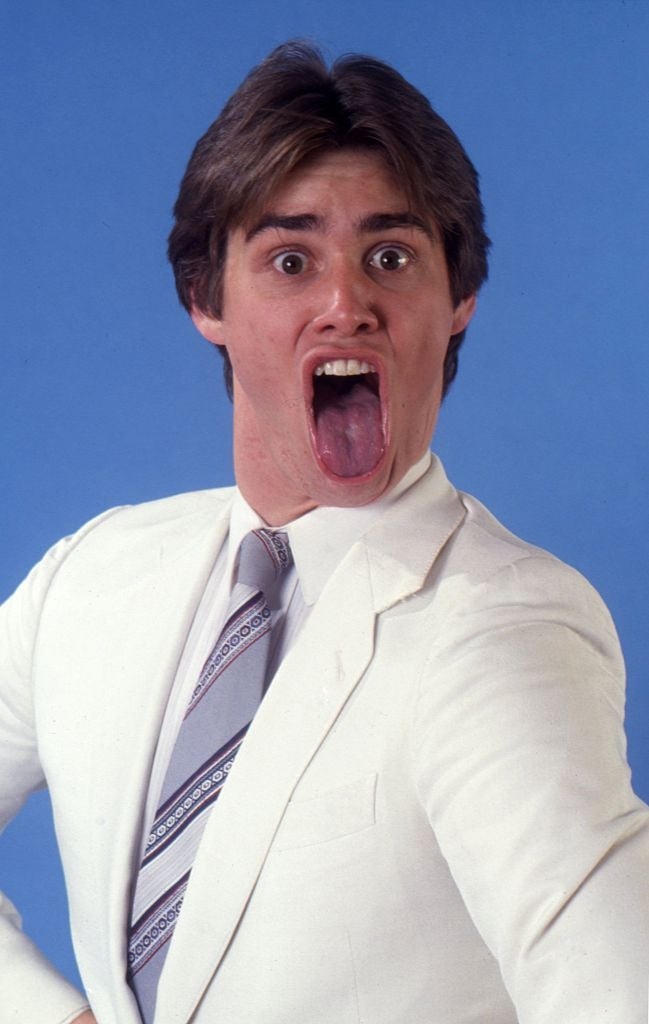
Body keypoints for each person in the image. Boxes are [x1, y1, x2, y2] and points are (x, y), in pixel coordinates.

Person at [1, 40, 648, 1024]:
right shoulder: (89, 579)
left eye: (390, 258)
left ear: (458, 301)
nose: (346, 305)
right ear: (205, 300)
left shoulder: (506, 630)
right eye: (291, 261)